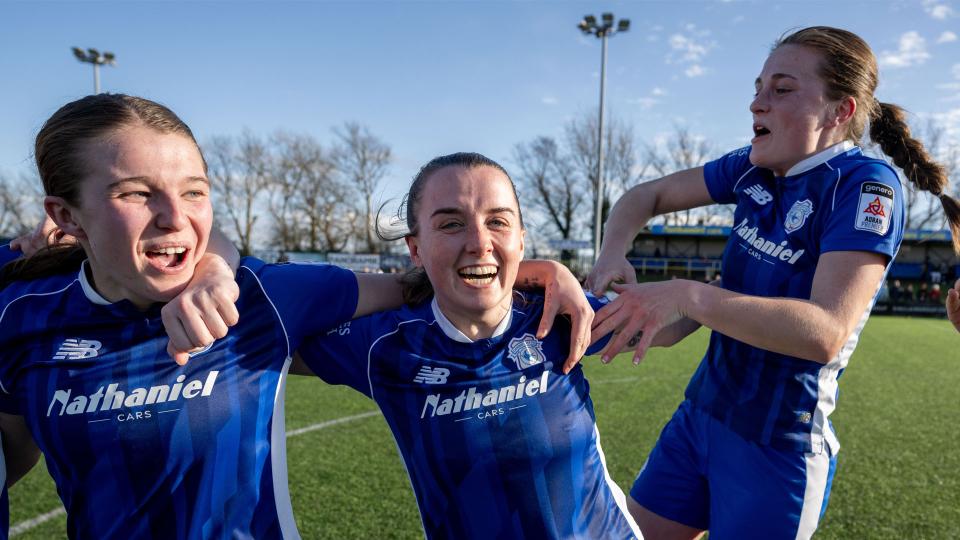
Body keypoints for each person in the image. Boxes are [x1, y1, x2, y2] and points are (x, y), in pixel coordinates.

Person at [0, 94, 591, 540]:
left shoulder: (267, 299)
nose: (174, 219)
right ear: (64, 212)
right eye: (135, 193)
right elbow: (13, 448)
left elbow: (418, 283)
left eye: (194, 192)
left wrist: (534, 269)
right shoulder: (19, 311)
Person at [586, 26, 960, 539]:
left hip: (777, 447)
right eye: (758, 87)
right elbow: (642, 198)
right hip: (699, 419)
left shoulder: (866, 185)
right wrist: (612, 255)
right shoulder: (753, 167)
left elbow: (823, 332)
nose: (756, 104)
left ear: (840, 111)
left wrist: (687, 296)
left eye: (781, 90)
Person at [297, 153, 651, 539]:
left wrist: (691, 297)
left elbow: (668, 324)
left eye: (497, 222)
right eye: (451, 224)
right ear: (415, 248)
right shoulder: (385, 345)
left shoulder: (561, 312)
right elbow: (271, 335)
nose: (480, 243)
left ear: (520, 240)